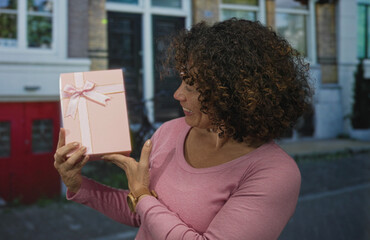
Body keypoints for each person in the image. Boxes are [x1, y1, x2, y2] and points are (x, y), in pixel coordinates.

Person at [54, 18, 313, 240]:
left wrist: (143, 194)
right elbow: (142, 214)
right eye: (182, 80)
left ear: (236, 92)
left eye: (193, 85)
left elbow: (145, 204)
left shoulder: (275, 173)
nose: (178, 94)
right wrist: (79, 185)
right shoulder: (169, 132)